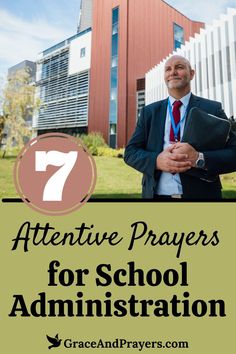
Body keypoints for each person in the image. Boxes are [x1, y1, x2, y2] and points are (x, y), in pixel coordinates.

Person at [124, 55, 236, 199]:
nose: (172, 72)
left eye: (179, 67)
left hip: (201, 198)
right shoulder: (149, 112)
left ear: (192, 74)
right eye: (168, 69)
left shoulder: (213, 108)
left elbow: (234, 153)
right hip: (156, 198)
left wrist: (199, 158)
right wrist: (156, 161)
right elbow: (131, 153)